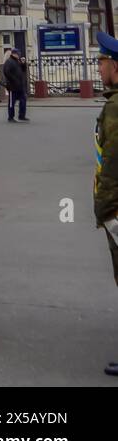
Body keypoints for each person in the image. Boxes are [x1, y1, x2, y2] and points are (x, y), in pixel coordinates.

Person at [92, 31, 118, 375]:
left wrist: (107, 211)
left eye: (100, 62)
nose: (98, 68)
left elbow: (112, 162)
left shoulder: (114, 108)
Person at [1, 48, 28, 123]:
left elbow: (23, 70)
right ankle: (10, 117)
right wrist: (14, 80)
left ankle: (22, 116)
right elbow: (7, 72)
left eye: (19, 54)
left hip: (20, 86)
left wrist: (23, 64)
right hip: (12, 86)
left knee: (23, 100)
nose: (19, 55)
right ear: (13, 54)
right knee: (11, 102)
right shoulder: (9, 62)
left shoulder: (17, 61)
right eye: (17, 54)